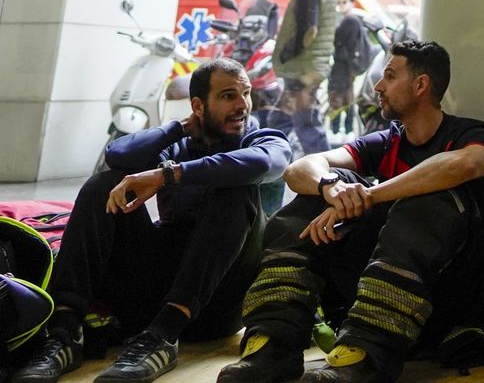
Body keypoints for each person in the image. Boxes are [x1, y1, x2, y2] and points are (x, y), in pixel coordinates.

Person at [218, 41, 484, 383]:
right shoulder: (387, 140)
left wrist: (368, 195)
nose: (378, 86)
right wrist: (332, 190)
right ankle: (274, 346)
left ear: (421, 85)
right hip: (381, 301)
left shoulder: (469, 134)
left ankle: (367, 359)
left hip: (445, 302)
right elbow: (298, 169)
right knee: (317, 198)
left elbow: (470, 162)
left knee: (425, 201)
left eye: (390, 76)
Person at [16, 60, 291, 383]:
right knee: (103, 185)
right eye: (228, 95)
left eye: (245, 93)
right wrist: (178, 128)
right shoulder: (180, 142)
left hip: (217, 304)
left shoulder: (263, 140)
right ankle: (64, 332)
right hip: (154, 293)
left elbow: (261, 164)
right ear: (198, 106)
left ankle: (163, 336)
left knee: (235, 189)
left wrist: (168, 175)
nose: (242, 104)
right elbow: (117, 155)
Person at [274, 0, 338, 156]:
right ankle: (273, 161)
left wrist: (286, 54)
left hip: (302, 68)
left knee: (306, 124)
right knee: (280, 120)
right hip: (309, 66)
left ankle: (327, 170)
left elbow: (308, 30)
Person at [328, 0, 373, 137]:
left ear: (352, 4)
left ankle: (337, 129)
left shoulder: (349, 21)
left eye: (344, 2)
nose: (341, 5)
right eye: (339, 3)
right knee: (347, 97)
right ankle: (346, 129)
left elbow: (341, 42)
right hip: (348, 67)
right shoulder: (352, 21)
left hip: (343, 66)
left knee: (337, 97)